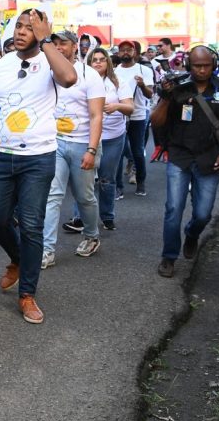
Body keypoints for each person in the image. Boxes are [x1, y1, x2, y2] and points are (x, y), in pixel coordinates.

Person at [0, 9, 77, 325]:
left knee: (31, 225)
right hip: (2, 155)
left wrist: (46, 39)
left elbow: (69, 78)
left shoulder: (50, 60)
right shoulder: (0, 64)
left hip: (39, 159)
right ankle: (18, 259)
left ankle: (27, 293)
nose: (21, 30)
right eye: (19, 26)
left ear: (42, 31)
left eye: (30, 27)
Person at [151, 46, 219, 277]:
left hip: (210, 158)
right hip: (179, 157)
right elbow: (157, 121)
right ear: (189, 65)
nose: (201, 70)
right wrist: (167, 98)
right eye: (197, 66)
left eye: (206, 65)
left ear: (214, 65)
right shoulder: (176, 86)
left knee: (203, 213)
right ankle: (169, 256)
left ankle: (192, 234)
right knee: (173, 209)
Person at [41, 31, 105, 269]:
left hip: (82, 143)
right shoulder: (47, 74)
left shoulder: (90, 75)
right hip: (54, 142)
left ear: (75, 46)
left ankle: (91, 235)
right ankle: (46, 250)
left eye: (63, 43)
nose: (58, 47)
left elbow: (97, 115)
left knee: (84, 196)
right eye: (54, 43)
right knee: (52, 195)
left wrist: (91, 149)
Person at [67, 48, 134, 232]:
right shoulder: (80, 79)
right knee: (80, 178)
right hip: (86, 136)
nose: (98, 63)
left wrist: (116, 106)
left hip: (112, 137)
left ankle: (107, 216)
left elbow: (130, 108)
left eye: (102, 60)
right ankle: (79, 218)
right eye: (94, 60)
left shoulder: (118, 82)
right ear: (89, 63)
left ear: (108, 63)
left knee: (106, 179)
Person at [114, 40, 154, 198]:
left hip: (137, 115)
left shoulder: (144, 70)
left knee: (138, 151)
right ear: (118, 53)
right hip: (119, 116)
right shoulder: (114, 71)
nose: (125, 52)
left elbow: (150, 94)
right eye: (122, 50)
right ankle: (118, 187)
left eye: (128, 50)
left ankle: (141, 181)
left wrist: (143, 85)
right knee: (118, 151)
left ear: (135, 52)